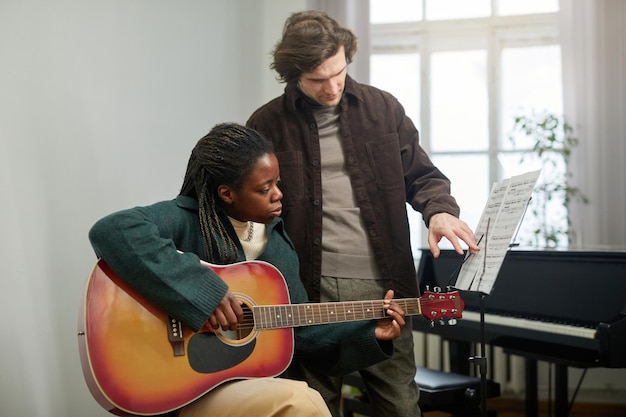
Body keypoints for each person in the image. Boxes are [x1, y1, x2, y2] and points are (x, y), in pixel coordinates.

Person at [246, 11, 480, 417]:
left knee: (401, 404)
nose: (333, 86)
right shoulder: (266, 123)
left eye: (339, 72)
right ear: (293, 74)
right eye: (319, 80)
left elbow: (422, 177)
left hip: (385, 286)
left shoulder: (383, 109)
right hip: (304, 289)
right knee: (312, 405)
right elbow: (248, 204)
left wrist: (438, 213)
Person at [88, 123, 407, 417]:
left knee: (299, 398)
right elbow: (112, 230)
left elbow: (299, 332)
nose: (278, 194)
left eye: (277, 183)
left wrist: (370, 333)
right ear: (227, 193)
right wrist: (204, 293)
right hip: (174, 385)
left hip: (239, 383)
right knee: (302, 401)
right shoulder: (185, 217)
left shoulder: (276, 242)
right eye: (264, 188)